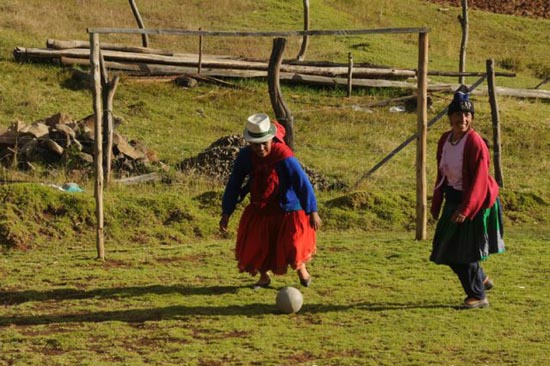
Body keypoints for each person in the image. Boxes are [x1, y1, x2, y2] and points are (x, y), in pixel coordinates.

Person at [219, 113, 321, 288]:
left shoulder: (284, 155)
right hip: (261, 206)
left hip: (288, 207)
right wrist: (226, 212)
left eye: (264, 144)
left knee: (293, 243)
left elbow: (301, 182)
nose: (260, 149)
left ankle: (301, 269)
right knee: (259, 246)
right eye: (255, 145)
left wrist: (312, 211)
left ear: (272, 140)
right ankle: (264, 277)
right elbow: (234, 184)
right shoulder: (245, 157)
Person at [430, 86, 505, 309]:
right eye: (458, 114)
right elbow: (441, 173)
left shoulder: (475, 143)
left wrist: (466, 209)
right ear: (450, 117)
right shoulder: (445, 140)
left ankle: (478, 296)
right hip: (454, 197)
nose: (462, 118)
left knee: (463, 252)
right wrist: (436, 202)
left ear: (471, 118)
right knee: (443, 248)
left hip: (475, 201)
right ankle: (479, 278)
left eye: (467, 114)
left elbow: (480, 181)